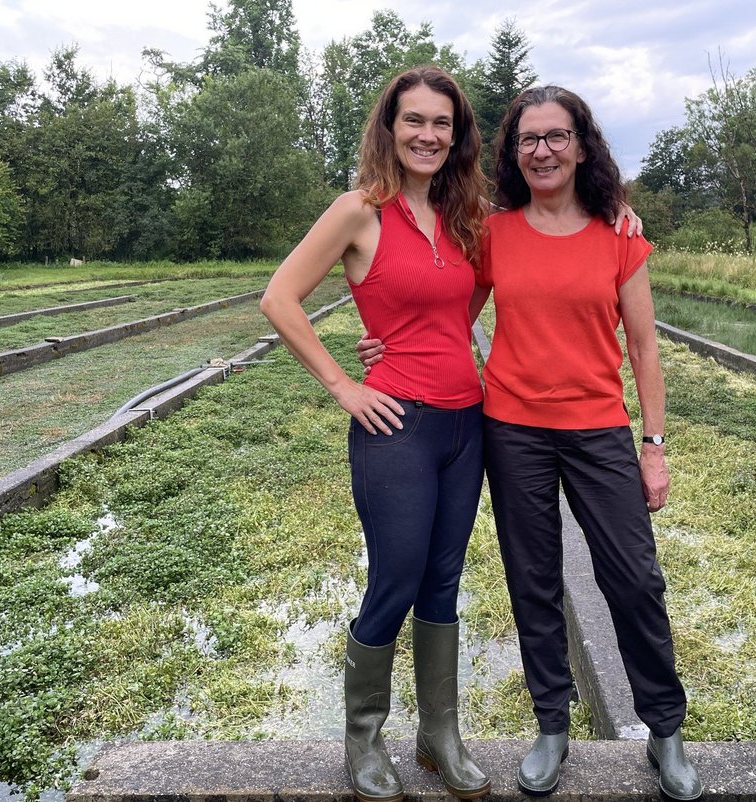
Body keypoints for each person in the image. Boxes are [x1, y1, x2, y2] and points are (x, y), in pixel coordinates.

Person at [361, 85, 701, 801]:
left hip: (599, 430)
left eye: (556, 136)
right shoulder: (494, 232)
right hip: (512, 429)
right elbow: (453, 312)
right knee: (533, 580)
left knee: (635, 579)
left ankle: (664, 731)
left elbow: (643, 349)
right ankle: (553, 727)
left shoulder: (620, 235)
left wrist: (654, 442)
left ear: (582, 145)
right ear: (514, 151)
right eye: (528, 139)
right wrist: (390, 344)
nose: (541, 150)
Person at [260, 65, 491, 802]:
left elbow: (476, 290)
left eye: (442, 123)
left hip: (467, 424)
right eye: (414, 120)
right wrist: (344, 384)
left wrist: (415, 330)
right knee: (395, 578)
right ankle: (364, 741)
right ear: (390, 128)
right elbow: (280, 298)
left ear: (457, 136)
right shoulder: (360, 210)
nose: (428, 135)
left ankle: (438, 737)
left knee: (444, 583)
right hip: (397, 427)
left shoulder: (465, 215)